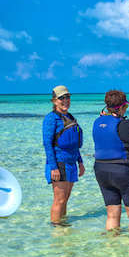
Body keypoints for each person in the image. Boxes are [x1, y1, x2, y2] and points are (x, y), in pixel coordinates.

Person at [93, 90, 129, 236]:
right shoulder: (128, 124)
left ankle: (113, 248)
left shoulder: (97, 122)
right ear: (122, 107)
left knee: (112, 214)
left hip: (101, 171)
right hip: (124, 171)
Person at [42, 85, 85, 226]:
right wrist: (54, 168)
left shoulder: (69, 117)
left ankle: (63, 225)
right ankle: (56, 229)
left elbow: (73, 142)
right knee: (59, 200)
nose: (65, 100)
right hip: (59, 163)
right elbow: (48, 144)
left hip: (71, 163)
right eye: (61, 98)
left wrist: (80, 162)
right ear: (54, 101)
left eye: (67, 97)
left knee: (65, 199)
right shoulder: (51, 119)